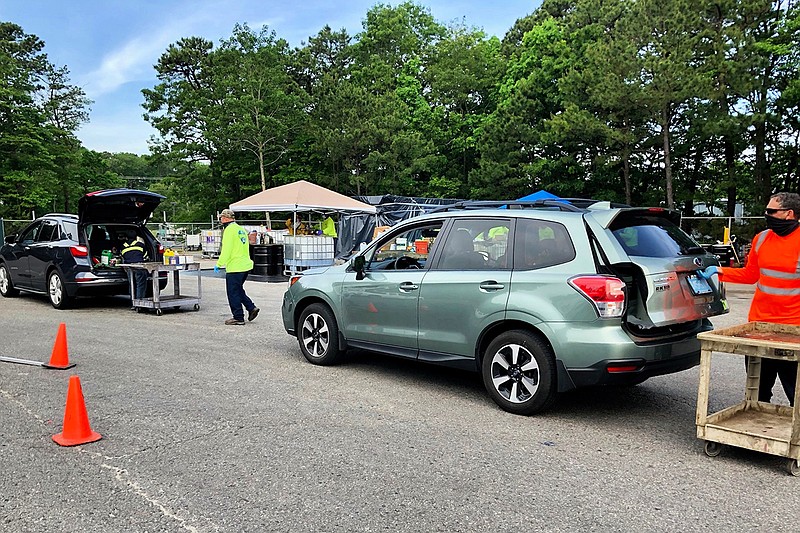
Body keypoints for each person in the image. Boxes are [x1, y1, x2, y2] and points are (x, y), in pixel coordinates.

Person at [700, 192, 800, 406]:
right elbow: (750, 274)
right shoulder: (762, 238)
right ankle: (758, 435)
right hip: (759, 326)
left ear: (788, 214)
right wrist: (719, 271)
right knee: (758, 391)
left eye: (772, 211)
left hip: (792, 331)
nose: (767, 215)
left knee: (796, 392)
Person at [215, 209, 259, 326]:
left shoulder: (229, 230)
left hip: (235, 266)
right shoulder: (241, 229)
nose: (220, 220)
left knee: (232, 292)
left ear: (224, 218)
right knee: (238, 289)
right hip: (245, 264)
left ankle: (238, 317)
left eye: (221, 218)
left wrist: (219, 264)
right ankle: (251, 307)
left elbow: (227, 249)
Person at [121, 229, 149, 303]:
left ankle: (133, 302)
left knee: (132, 284)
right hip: (139, 266)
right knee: (140, 284)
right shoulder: (140, 244)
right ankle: (139, 302)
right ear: (136, 237)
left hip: (129, 267)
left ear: (126, 238)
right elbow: (145, 256)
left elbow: (123, 257)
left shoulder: (123, 246)